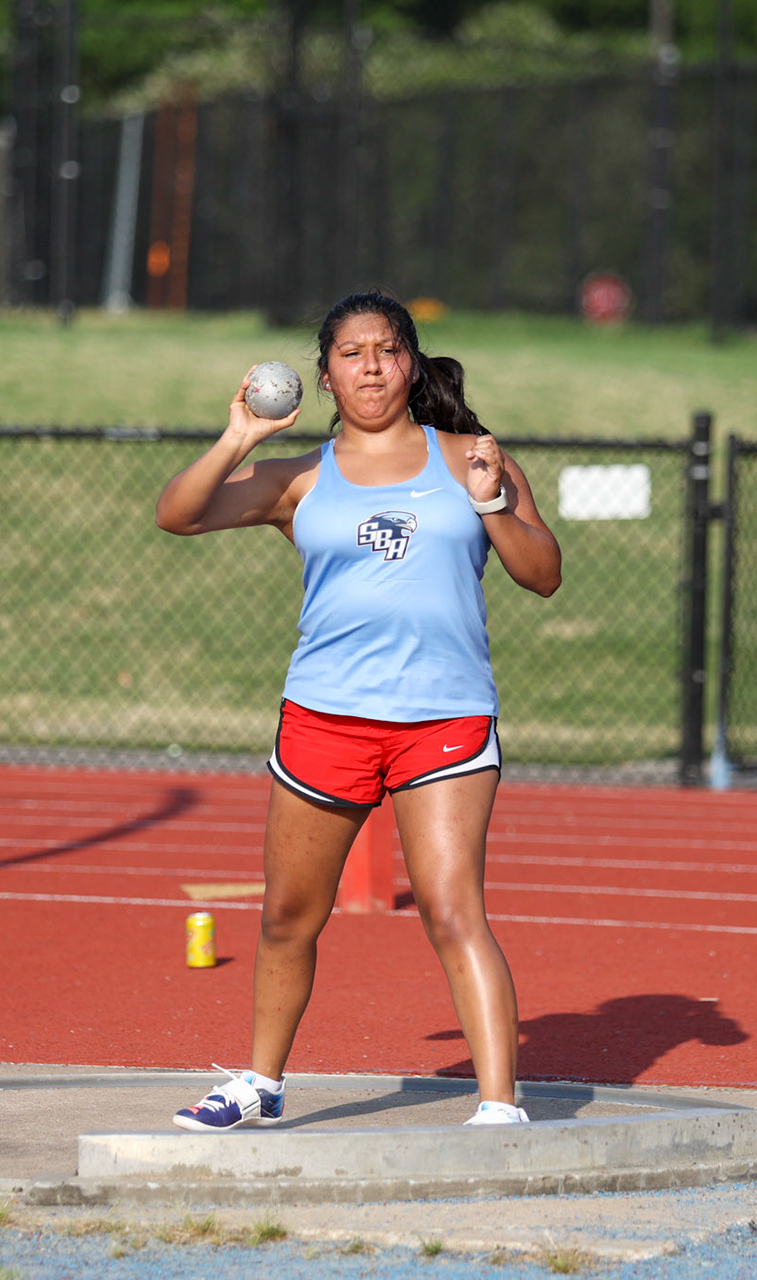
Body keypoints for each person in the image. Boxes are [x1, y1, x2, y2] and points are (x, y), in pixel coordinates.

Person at [155, 291, 561, 1127]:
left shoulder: (472, 458)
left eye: (386, 349)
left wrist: (491, 501)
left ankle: (498, 1107)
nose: (371, 364)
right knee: (285, 918)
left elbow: (543, 572)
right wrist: (240, 436)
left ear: (411, 364)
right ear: (326, 377)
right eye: (351, 353)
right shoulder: (300, 478)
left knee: (453, 913)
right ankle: (260, 1084)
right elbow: (177, 514)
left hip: (443, 722)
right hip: (325, 720)